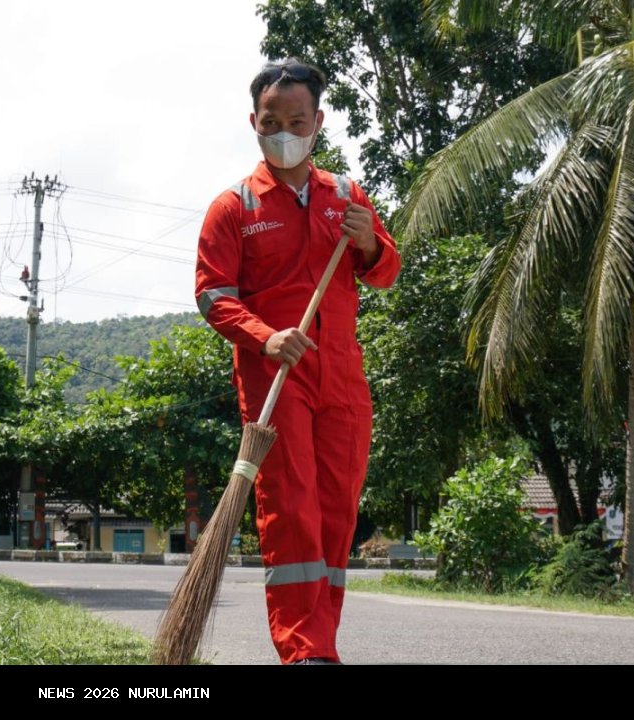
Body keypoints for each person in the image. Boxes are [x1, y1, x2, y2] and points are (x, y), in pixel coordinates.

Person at [194, 59, 400, 665]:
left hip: (343, 377)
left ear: (318, 123)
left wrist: (369, 241)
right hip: (275, 378)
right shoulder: (232, 207)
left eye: (296, 120)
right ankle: (304, 651)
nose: (284, 130)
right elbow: (213, 296)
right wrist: (264, 336)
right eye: (271, 120)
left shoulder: (347, 196)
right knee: (293, 510)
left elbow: (386, 272)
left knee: (337, 512)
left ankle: (323, 646)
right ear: (253, 122)